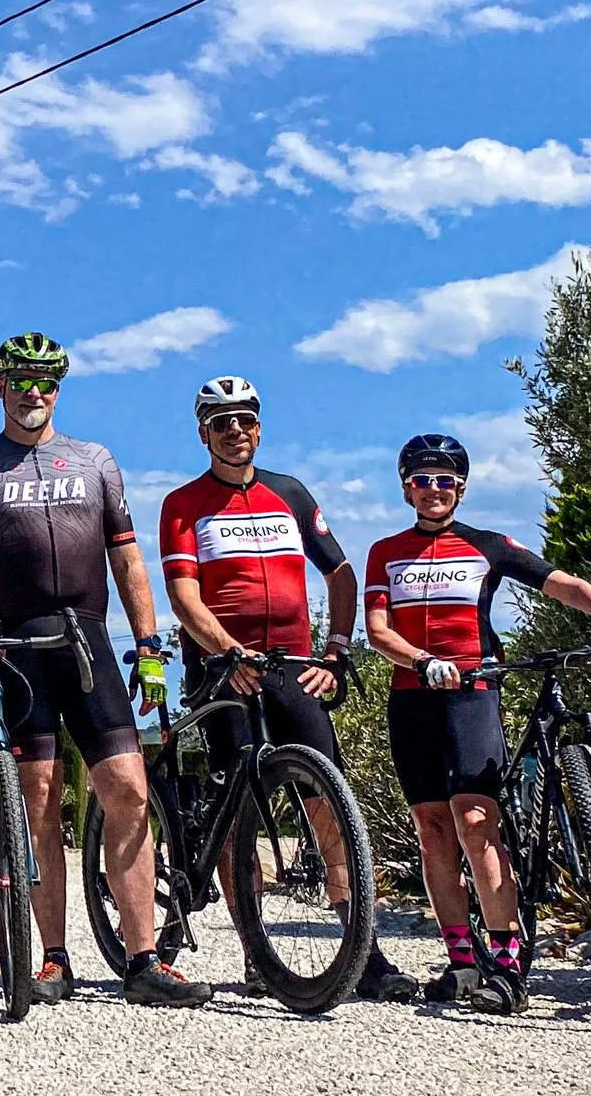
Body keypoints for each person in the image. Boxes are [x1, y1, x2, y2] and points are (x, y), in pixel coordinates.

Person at [0, 333, 206, 1007]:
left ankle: (142, 957)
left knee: (129, 789)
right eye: (23, 381)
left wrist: (149, 645)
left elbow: (127, 558)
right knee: (38, 802)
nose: (36, 392)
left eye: (48, 382)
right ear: (0, 387)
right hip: (21, 648)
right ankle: (53, 958)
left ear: (59, 390)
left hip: (88, 640)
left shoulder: (94, 462)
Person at [362, 433, 591, 1015]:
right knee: (431, 827)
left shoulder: (488, 546)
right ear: (406, 488)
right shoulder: (385, 551)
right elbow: (379, 631)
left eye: (445, 480)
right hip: (412, 695)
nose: (434, 490)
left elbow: (564, 585)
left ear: (462, 488)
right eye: (422, 480)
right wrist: (423, 661)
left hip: (472, 693)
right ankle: (461, 964)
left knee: (475, 820)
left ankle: (504, 962)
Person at [157, 376, 419, 1004]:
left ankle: (366, 949)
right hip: (224, 669)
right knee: (235, 807)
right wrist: (225, 652)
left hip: (294, 665)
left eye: (245, 419)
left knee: (329, 800)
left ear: (259, 426)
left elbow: (342, 571)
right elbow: (183, 597)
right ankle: (256, 952)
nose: (235, 431)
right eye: (221, 423)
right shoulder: (182, 504)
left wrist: (337, 652)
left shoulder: (290, 493)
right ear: (204, 433)